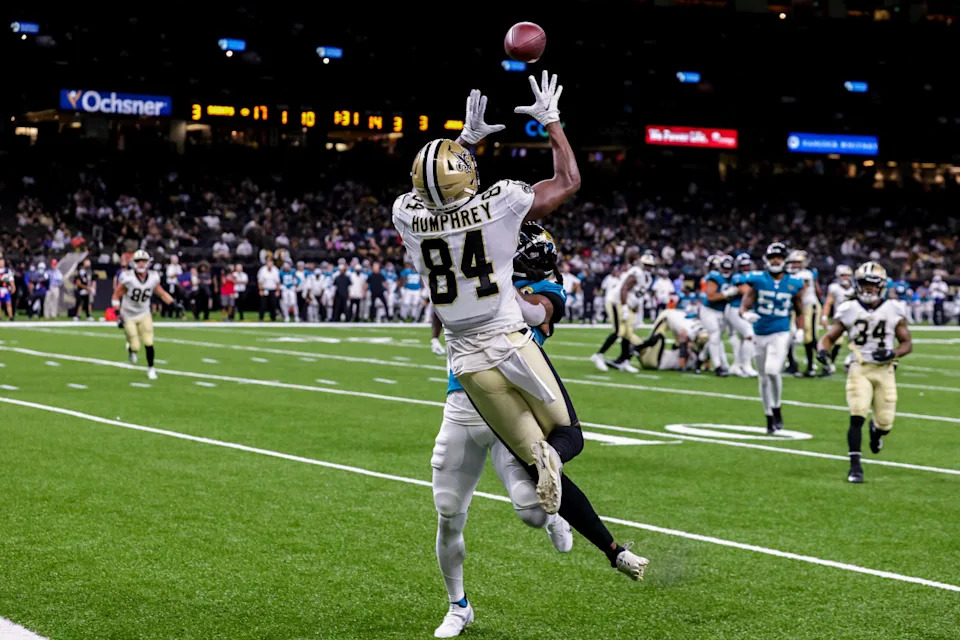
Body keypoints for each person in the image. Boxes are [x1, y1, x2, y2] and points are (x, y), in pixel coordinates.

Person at [430, 222, 647, 639]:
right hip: (464, 401)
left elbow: (532, 313)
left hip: (514, 407)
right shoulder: (474, 271)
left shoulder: (546, 289)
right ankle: (458, 606)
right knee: (448, 510)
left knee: (532, 511)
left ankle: (554, 515)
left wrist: (494, 282)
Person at [393, 76, 585, 520]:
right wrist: (552, 123)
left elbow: (438, 192)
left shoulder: (406, 216)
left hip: (464, 358)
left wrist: (463, 143)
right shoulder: (501, 205)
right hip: (508, 337)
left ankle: (542, 481)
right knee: (566, 433)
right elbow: (567, 181)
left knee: (487, 471)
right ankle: (551, 474)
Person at [817, 262, 912, 483]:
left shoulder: (893, 309)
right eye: (864, 284)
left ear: (882, 285)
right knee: (857, 413)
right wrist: (823, 351)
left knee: (885, 423)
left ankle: (876, 431)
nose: (868, 288)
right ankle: (855, 467)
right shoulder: (849, 308)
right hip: (859, 367)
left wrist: (893, 353)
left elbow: (907, 343)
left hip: (885, 369)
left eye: (872, 284)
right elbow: (829, 337)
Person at [738, 243, 807, 434]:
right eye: (772, 257)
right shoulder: (759, 280)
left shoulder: (794, 283)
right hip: (760, 332)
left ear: (784, 260)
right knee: (763, 377)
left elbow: (799, 310)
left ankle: (776, 407)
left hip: (780, 332)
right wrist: (745, 315)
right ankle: (768, 416)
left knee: (772, 370)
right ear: (767, 260)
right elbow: (744, 306)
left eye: (779, 257)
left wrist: (800, 329)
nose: (775, 261)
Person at [112, 250, 175, 380]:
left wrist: (173, 304)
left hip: (144, 313)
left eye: (143, 261)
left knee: (148, 341)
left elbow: (161, 292)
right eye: (138, 261)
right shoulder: (127, 277)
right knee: (135, 345)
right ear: (133, 263)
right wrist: (118, 314)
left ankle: (151, 368)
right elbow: (116, 295)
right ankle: (131, 349)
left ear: (148, 262)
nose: (141, 264)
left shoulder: (153, 277)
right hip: (128, 314)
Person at [786, 250, 823, 377]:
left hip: (808, 307)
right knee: (788, 335)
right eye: (793, 262)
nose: (795, 265)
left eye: (798, 262)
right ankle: (792, 364)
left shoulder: (805, 274)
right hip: (795, 307)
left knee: (809, 337)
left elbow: (800, 292)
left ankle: (820, 365)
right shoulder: (789, 274)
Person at [634, 309, 709, 371]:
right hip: (659, 360)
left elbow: (683, 348)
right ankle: (636, 348)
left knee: (659, 337)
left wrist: (682, 366)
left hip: (658, 362)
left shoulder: (691, 358)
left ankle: (636, 348)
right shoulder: (694, 356)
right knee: (664, 339)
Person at [699, 254, 734, 377]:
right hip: (709, 310)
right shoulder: (714, 277)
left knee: (717, 338)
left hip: (722, 312)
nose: (726, 271)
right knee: (714, 336)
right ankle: (718, 366)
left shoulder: (734, 278)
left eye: (728, 269)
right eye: (724, 268)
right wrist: (726, 294)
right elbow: (711, 296)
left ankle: (700, 358)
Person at [820, 265, 856, 375]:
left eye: (847, 275)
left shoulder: (856, 288)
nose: (845, 278)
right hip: (839, 319)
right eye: (843, 275)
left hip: (854, 319)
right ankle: (831, 363)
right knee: (837, 342)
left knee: (856, 342)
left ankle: (850, 361)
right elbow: (828, 302)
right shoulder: (834, 287)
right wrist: (824, 316)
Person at [726, 254, 758, 378]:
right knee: (749, 334)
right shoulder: (737, 277)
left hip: (747, 311)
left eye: (747, 265)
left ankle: (737, 365)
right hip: (735, 309)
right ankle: (746, 366)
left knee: (747, 338)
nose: (745, 268)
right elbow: (747, 292)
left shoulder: (754, 276)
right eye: (742, 266)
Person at [589, 263, 625, 371]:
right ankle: (601, 355)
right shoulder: (609, 279)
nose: (617, 273)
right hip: (611, 303)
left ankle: (623, 359)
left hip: (618, 305)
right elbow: (603, 289)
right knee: (619, 331)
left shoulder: (622, 280)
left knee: (621, 332)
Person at [257, 256, 280, 321]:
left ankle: (273, 318)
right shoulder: (262, 270)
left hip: (273, 289)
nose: (270, 264)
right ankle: (261, 318)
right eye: (268, 262)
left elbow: (277, 282)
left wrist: (277, 290)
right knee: (263, 304)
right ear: (266, 263)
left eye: (271, 262)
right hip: (265, 289)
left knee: (273, 304)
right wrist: (260, 290)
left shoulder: (275, 270)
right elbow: (260, 281)